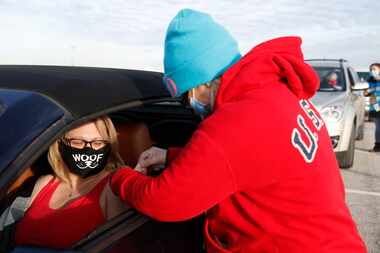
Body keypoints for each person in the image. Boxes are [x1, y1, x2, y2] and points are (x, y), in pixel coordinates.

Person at [111, 9, 367, 253]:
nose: (190, 104)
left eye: (187, 94)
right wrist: (168, 156)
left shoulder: (234, 120)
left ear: (204, 81)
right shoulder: (276, 94)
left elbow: (166, 201)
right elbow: (244, 162)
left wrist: (119, 177)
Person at [14, 116, 129, 249]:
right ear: (60, 144)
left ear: (109, 145)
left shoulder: (113, 188)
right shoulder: (45, 183)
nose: (88, 149)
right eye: (78, 142)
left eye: (98, 143)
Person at [365, 63, 380, 152]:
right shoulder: (371, 80)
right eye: (371, 69)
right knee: (378, 127)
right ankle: (377, 146)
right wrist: (369, 91)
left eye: (374, 69)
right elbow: (366, 93)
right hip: (376, 106)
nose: (372, 71)